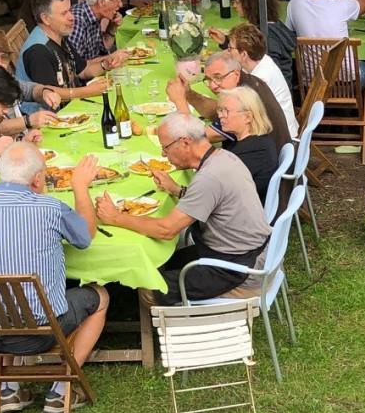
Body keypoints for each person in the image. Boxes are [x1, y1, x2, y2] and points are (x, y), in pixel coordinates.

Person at [0, 144, 109, 413]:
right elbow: (85, 237)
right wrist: (80, 186)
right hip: (39, 333)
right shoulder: (51, 207)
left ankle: (8, 386)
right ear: (38, 179)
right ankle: (61, 389)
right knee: (101, 296)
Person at [94, 113, 272, 307]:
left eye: (165, 148)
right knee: (160, 262)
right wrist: (177, 190)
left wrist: (115, 217)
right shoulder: (224, 158)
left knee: (150, 286)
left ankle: (175, 331)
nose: (163, 154)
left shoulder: (209, 177)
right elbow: (213, 199)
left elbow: (166, 230)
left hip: (238, 271)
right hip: (247, 253)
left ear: (185, 143)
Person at [168, 50, 294, 150]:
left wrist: (180, 101)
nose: (213, 85)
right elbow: (215, 111)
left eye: (218, 77)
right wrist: (189, 94)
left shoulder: (244, 99)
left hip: (259, 174)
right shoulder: (246, 82)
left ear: (236, 74)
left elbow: (195, 138)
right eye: (209, 79)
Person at [18, 0, 118, 96]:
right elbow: (50, 93)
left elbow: (83, 71)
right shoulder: (38, 50)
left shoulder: (59, 35)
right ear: (46, 19)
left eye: (69, 11)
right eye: (64, 13)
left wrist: (106, 64)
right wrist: (88, 91)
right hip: (49, 111)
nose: (71, 17)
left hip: (70, 105)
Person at [211, 0, 297, 90]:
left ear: (248, 4)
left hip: (269, 97)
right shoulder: (271, 25)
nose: (234, 6)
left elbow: (267, 76)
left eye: (237, 2)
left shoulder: (267, 35)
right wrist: (225, 42)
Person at [227, 23, 299, 138]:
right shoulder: (261, 60)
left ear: (244, 54)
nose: (228, 52)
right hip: (281, 130)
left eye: (230, 48)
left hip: (279, 138)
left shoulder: (259, 79)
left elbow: (242, 116)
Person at [216, 87, 280, 205]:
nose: (220, 116)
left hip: (238, 217)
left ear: (247, 117)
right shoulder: (258, 141)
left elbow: (217, 196)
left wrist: (178, 190)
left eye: (226, 111)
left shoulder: (252, 152)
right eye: (220, 110)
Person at [66, 0, 127, 78]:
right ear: (102, 2)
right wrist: (110, 58)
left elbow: (104, 47)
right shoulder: (77, 20)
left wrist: (112, 26)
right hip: (84, 83)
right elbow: (76, 67)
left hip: (97, 73)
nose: (120, 4)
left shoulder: (94, 15)